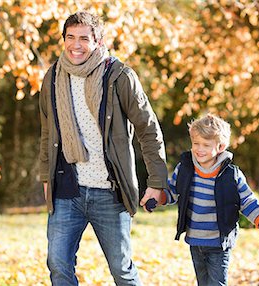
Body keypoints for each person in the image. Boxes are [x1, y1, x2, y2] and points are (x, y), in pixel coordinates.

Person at [39, 11, 167, 285]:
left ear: (99, 40)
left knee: (122, 271)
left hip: (110, 191)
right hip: (67, 189)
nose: (76, 44)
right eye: (70, 37)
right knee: (58, 264)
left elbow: (148, 130)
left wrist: (156, 182)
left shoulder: (120, 77)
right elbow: (47, 132)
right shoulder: (53, 77)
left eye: (84, 38)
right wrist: (45, 177)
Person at [144, 113, 259, 285]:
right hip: (195, 240)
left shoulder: (231, 175)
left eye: (206, 145)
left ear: (221, 147)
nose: (199, 149)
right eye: (196, 143)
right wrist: (158, 198)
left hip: (218, 243)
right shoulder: (185, 169)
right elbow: (172, 191)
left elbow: (247, 202)